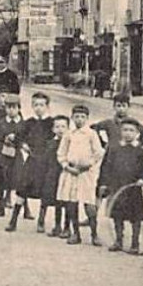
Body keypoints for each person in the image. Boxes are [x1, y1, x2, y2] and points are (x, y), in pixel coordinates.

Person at [98, 118, 143, 254]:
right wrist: (104, 183)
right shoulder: (114, 149)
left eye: (131, 130)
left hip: (133, 188)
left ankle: (135, 243)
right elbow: (105, 167)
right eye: (125, 130)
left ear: (137, 133)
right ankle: (118, 240)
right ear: (120, 132)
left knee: (135, 217)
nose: (128, 133)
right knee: (117, 215)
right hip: (117, 187)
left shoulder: (140, 151)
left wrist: (142, 179)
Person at [57, 103, 105, 246]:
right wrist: (66, 166)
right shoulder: (68, 134)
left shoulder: (91, 134)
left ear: (87, 118)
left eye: (82, 117)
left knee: (89, 203)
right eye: (76, 116)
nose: (79, 119)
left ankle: (94, 234)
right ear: (72, 118)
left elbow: (99, 153)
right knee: (72, 203)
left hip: (86, 174)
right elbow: (61, 153)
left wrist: (88, 164)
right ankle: (75, 234)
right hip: (71, 173)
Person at [13, 92, 55, 233]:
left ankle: (41, 221)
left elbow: (58, 138)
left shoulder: (51, 123)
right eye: (35, 105)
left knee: (45, 190)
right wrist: (23, 145)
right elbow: (18, 137)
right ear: (32, 106)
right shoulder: (29, 123)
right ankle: (13, 220)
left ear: (47, 106)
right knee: (22, 188)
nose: (38, 108)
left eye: (41, 105)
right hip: (32, 160)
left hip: (46, 162)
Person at [0, 93, 25, 217]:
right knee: (1, 178)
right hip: (2, 154)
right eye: (9, 107)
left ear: (19, 108)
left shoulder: (22, 124)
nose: (11, 110)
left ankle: (21, 205)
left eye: (14, 107)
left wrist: (17, 140)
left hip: (16, 155)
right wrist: (4, 139)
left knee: (17, 178)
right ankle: (0, 205)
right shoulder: (1, 123)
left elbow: (26, 138)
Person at [43, 114, 71, 237]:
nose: (60, 129)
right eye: (57, 127)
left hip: (66, 174)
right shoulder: (50, 143)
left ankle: (67, 227)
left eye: (63, 126)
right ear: (53, 129)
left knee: (68, 202)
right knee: (57, 201)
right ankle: (57, 225)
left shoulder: (71, 142)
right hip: (53, 175)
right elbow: (47, 160)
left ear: (68, 128)